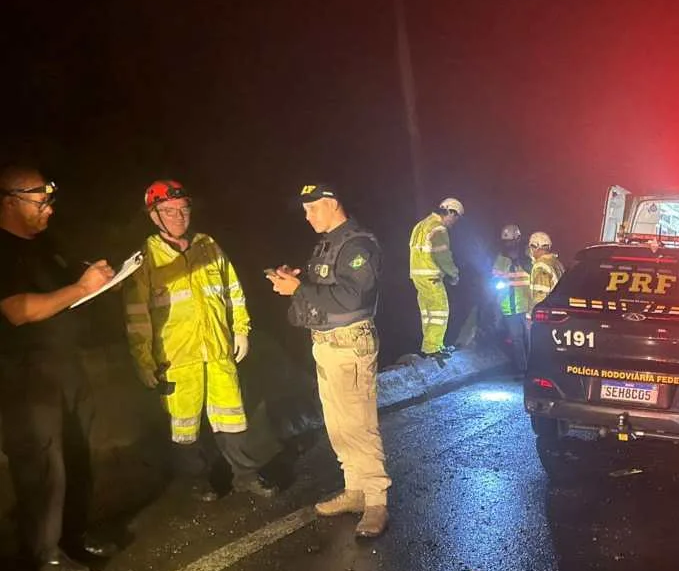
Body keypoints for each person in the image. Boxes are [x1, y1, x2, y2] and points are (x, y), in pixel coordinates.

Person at [0, 165, 118, 571]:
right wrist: (82, 288)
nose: (49, 209)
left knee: (77, 451)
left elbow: (68, 289)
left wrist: (97, 279)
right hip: (24, 374)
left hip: (64, 364)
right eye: (40, 201)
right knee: (41, 461)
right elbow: (19, 310)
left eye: (50, 200)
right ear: (10, 200)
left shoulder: (46, 245)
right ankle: (44, 552)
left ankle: (74, 534)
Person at [124, 180, 276, 501]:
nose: (179, 216)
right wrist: (143, 360)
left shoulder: (209, 246)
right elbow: (137, 315)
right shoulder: (146, 258)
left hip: (218, 350)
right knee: (184, 428)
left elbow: (233, 290)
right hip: (176, 358)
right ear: (154, 216)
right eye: (169, 211)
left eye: (183, 209)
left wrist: (241, 329)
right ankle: (197, 481)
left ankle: (246, 476)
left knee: (232, 419)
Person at [267, 183, 389, 538]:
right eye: (304, 211)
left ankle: (377, 501)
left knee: (359, 424)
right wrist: (296, 279)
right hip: (326, 344)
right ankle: (355, 491)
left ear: (333, 204)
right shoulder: (329, 243)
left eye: (313, 209)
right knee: (337, 423)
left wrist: (299, 290)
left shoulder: (358, 243)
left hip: (351, 345)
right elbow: (328, 284)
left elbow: (351, 297)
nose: (307, 217)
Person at [409, 197, 463, 360]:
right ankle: (434, 348)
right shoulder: (438, 228)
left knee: (428, 313)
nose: (454, 223)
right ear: (451, 213)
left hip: (418, 276)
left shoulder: (421, 225)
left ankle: (429, 347)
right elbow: (442, 255)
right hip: (431, 275)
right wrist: (454, 274)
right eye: (456, 218)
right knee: (440, 311)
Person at [491, 224, 532, 375]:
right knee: (517, 340)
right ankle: (522, 370)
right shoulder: (500, 259)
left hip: (529, 306)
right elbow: (495, 281)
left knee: (530, 340)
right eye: (506, 242)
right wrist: (497, 307)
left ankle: (533, 369)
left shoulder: (528, 256)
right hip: (510, 306)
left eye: (512, 241)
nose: (509, 245)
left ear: (518, 239)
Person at [528, 231, 565, 309]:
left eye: (531, 247)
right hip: (558, 309)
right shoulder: (556, 263)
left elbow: (540, 295)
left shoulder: (540, 266)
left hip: (546, 314)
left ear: (536, 246)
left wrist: (531, 314)